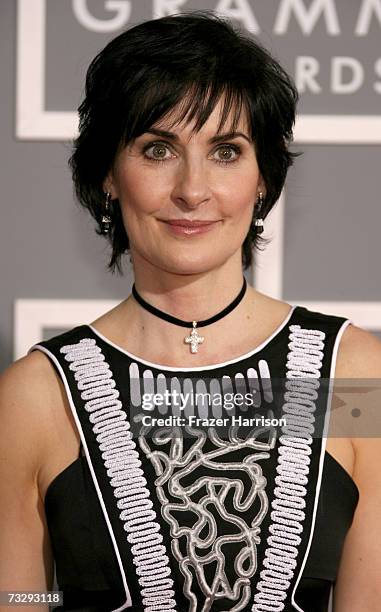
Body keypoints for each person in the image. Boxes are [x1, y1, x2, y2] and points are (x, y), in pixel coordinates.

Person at [1, 11, 381, 612]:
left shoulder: (353, 374)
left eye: (226, 151)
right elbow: (18, 596)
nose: (192, 189)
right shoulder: (36, 395)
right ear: (108, 174)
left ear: (263, 179)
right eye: (158, 149)